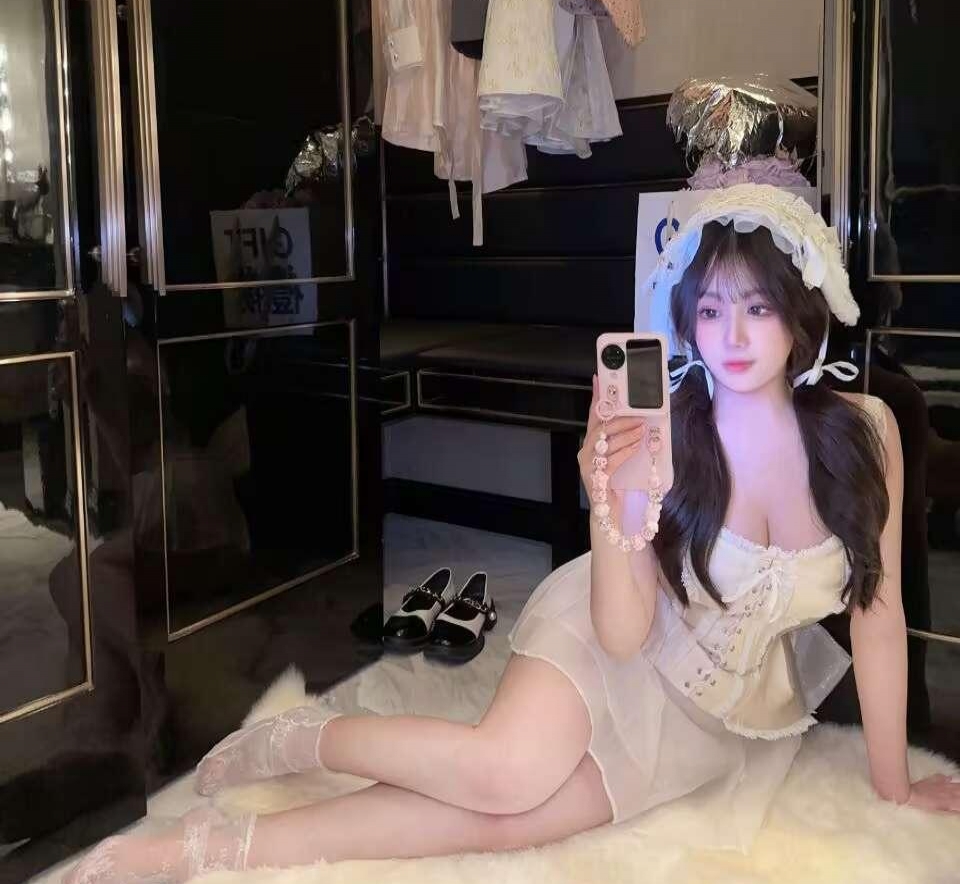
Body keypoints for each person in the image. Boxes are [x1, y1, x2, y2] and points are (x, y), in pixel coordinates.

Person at [63, 184, 960, 882]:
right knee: (505, 773)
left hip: (723, 713)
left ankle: (237, 831)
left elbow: (877, 617)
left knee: (507, 824)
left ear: (802, 313)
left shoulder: (867, 430)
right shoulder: (669, 435)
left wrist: (894, 784)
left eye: (757, 308)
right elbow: (623, 633)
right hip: (614, 633)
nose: (732, 334)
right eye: (712, 308)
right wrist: (607, 502)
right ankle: (280, 760)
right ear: (685, 315)